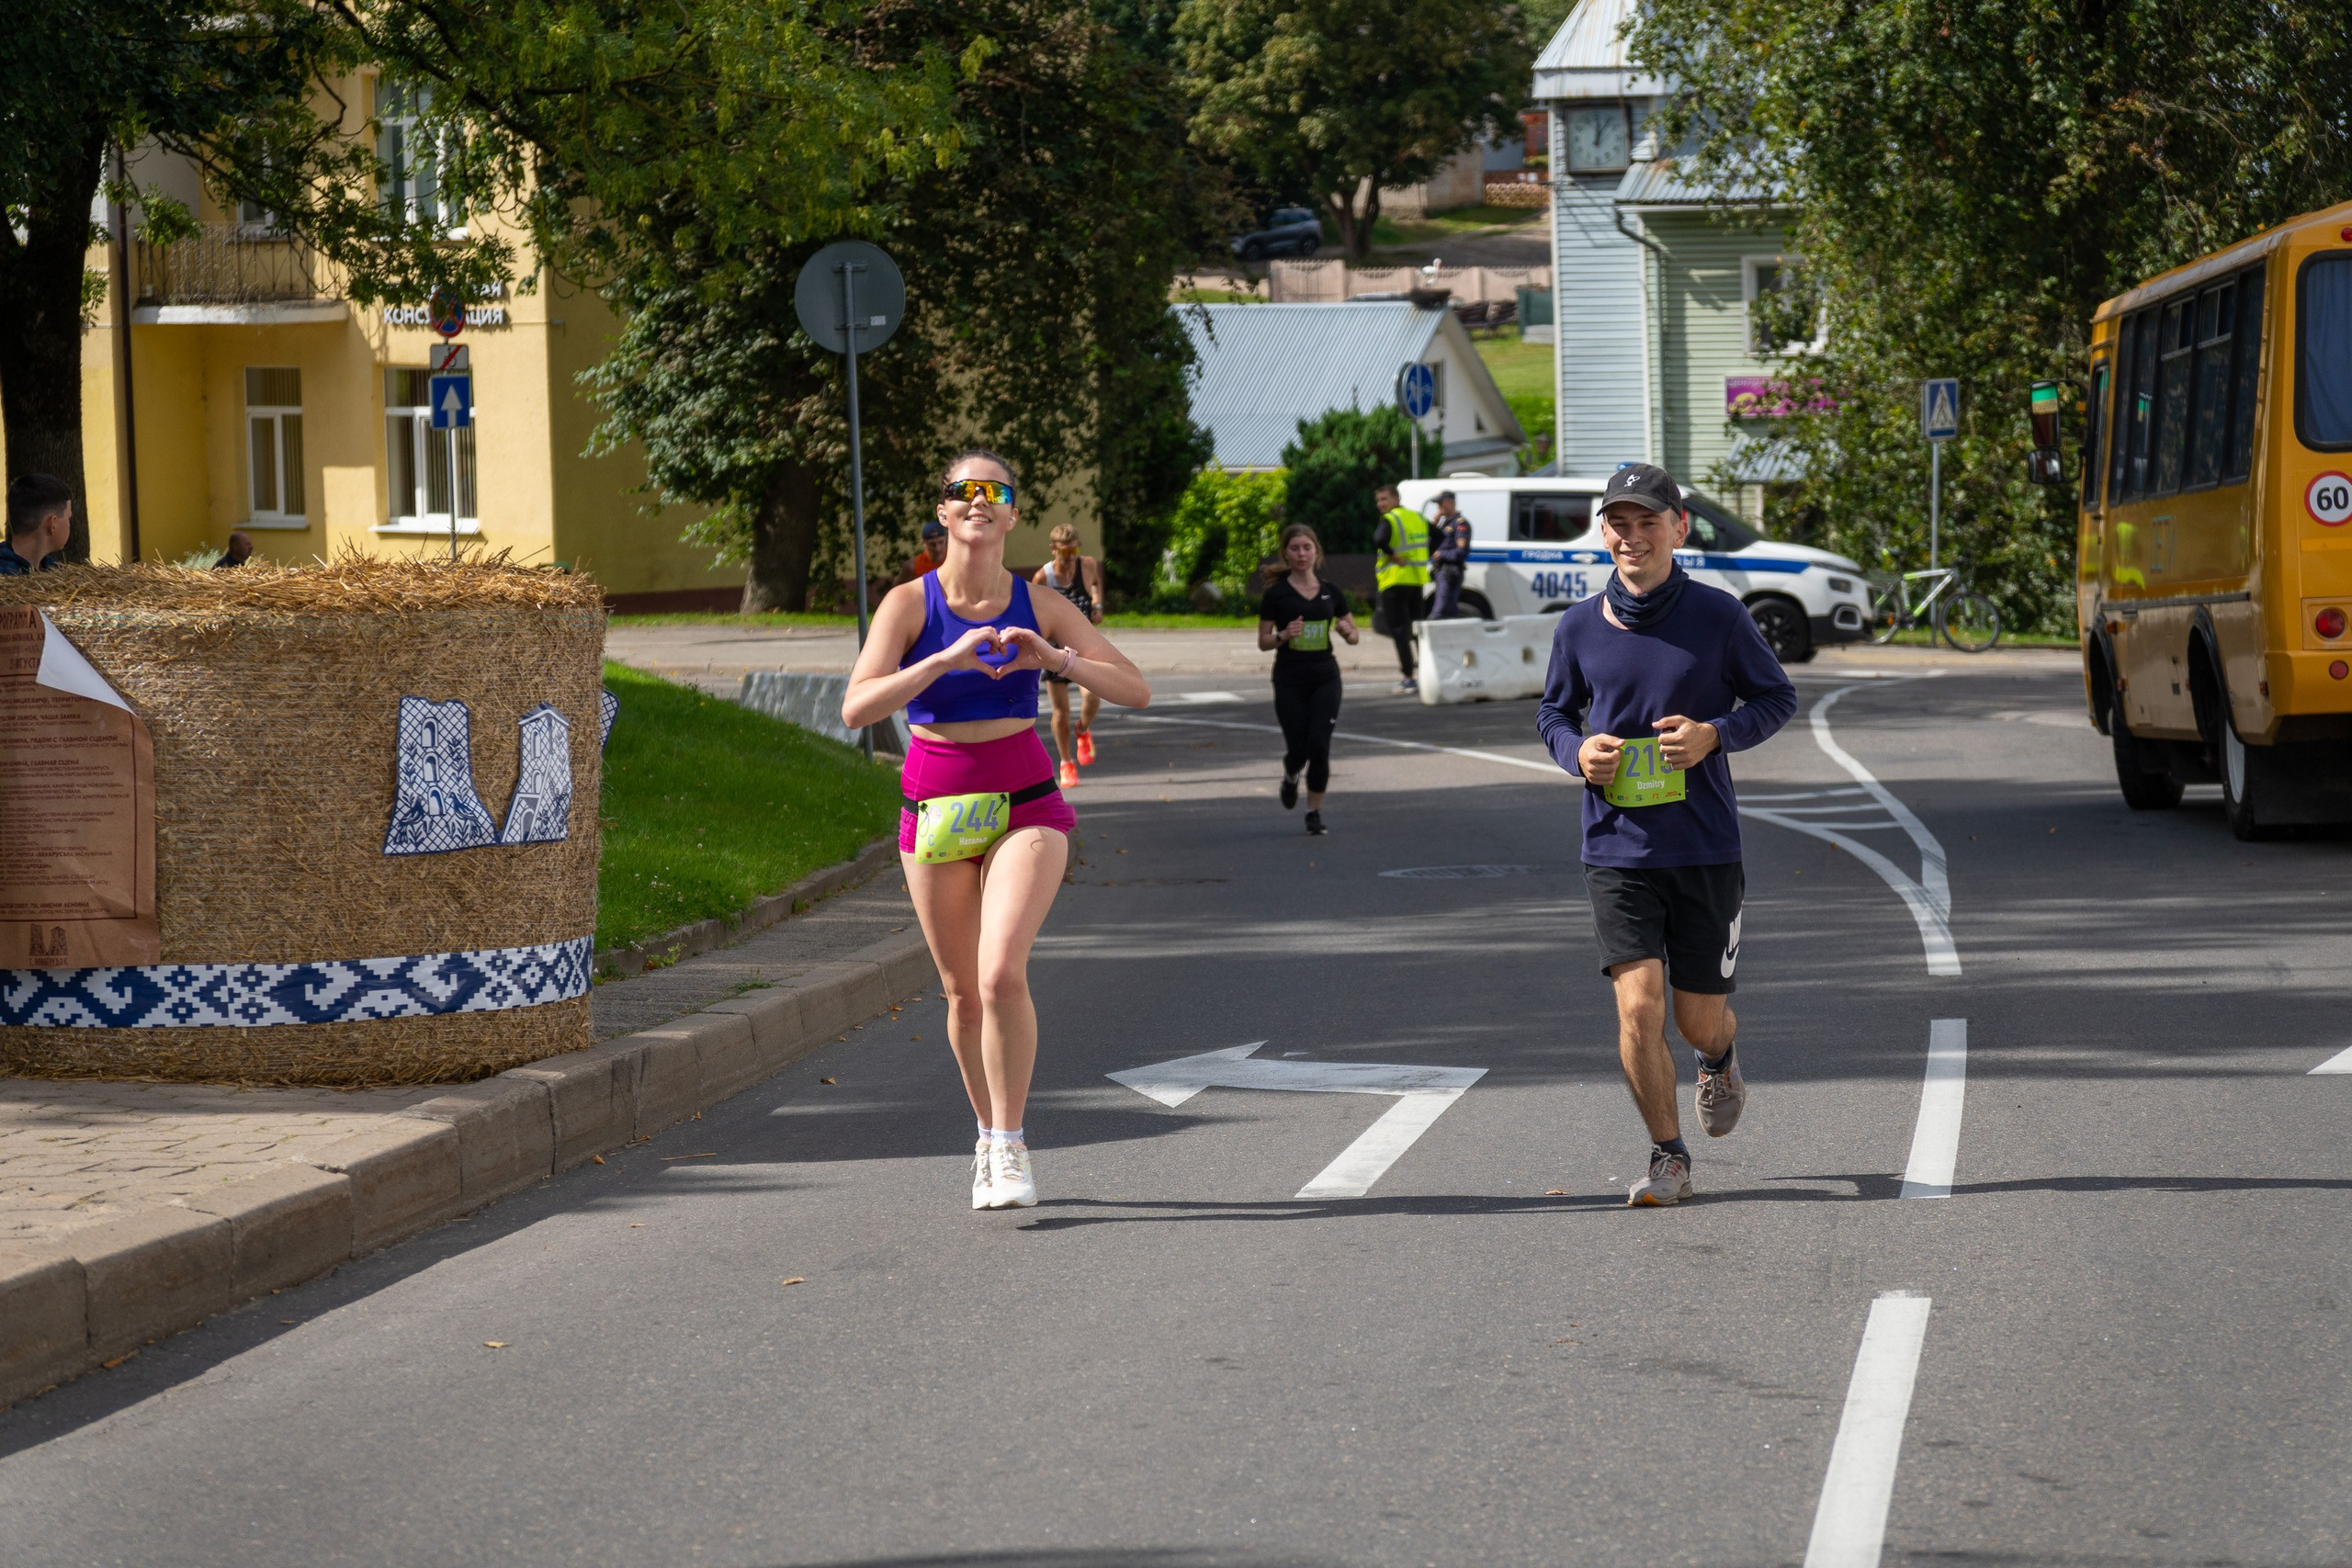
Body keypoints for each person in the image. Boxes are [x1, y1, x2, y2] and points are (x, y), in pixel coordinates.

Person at [843, 450, 1150, 1213]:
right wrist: (941, 660)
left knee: (998, 972)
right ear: (944, 512)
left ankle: (1011, 1145)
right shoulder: (908, 605)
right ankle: (986, 1135)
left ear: (1014, 515)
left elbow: (1136, 688)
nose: (979, 501)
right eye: (964, 491)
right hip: (936, 804)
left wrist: (1058, 658)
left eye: (996, 491)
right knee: (959, 995)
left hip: (1025, 799)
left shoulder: (1040, 602)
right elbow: (857, 707)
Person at [1534, 463, 1796, 1207]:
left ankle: (1719, 1056)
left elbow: (1776, 695)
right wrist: (1575, 753)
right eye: (1619, 522)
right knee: (1639, 1009)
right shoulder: (1578, 626)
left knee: (1695, 1017)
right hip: (1616, 848)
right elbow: (1554, 713)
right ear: (1604, 532)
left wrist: (1717, 733)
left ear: (1678, 528)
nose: (1632, 535)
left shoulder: (1719, 617)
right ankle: (1667, 1155)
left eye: (1648, 521)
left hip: (1706, 846)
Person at [1257, 524, 1360, 836]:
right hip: (1289, 678)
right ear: (1285, 554)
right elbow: (1263, 640)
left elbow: (1353, 634)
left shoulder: (1331, 591)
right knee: (1298, 749)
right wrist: (1284, 636)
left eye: (1307, 548)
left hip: (1325, 676)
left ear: (1316, 551)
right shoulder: (1277, 594)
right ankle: (1291, 775)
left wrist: (1346, 632)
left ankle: (1314, 812)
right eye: (1295, 548)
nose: (1301, 554)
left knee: (1320, 745)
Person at [1033, 523, 1105, 788]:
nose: (1071, 556)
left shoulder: (1086, 566)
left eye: (1074, 549)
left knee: (1093, 697)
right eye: (1065, 552)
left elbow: (1095, 585)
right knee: (1061, 712)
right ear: (1053, 550)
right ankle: (1065, 763)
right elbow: (1032, 611)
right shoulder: (1043, 577)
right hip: (1055, 652)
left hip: (1085, 648)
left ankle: (1083, 730)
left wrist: (1097, 604)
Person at [1371, 481, 1428, 694]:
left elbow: (1378, 539)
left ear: (1396, 499)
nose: (1380, 504)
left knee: (1399, 630)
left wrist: (1393, 555)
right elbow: (1438, 537)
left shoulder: (1389, 519)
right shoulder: (1417, 517)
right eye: (1378, 500)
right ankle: (1429, 674)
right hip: (1416, 581)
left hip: (1394, 581)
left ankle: (1408, 677)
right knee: (1419, 630)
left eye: (1384, 499)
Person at [2, 474, 73, 575]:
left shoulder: (53, 569)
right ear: (52, 524)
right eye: (68, 518)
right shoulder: (5, 575)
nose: (69, 524)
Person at [1428, 491, 1472, 620]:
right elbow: (1429, 545)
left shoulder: (1460, 524)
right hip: (1440, 571)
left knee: (1439, 612)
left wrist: (1441, 554)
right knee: (1449, 614)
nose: (1438, 506)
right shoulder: (1443, 524)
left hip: (1450, 572)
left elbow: (1461, 552)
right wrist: (1433, 526)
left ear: (1451, 503)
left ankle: (1427, 639)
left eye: (1441, 503)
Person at [897, 520, 948, 584]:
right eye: (932, 544)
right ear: (923, 543)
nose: (937, 549)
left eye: (941, 542)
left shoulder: (955, 560)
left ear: (946, 540)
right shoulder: (913, 567)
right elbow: (895, 590)